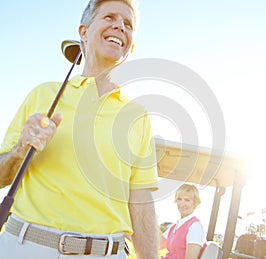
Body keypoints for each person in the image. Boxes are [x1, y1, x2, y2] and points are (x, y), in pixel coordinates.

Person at [0, 0, 159, 258]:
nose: (120, 26)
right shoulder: (43, 95)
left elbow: (141, 203)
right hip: (26, 248)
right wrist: (20, 150)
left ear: (131, 47)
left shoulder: (137, 117)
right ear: (83, 32)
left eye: (128, 24)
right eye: (109, 17)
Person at [160, 184, 206, 259]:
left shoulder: (195, 226)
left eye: (187, 200)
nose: (182, 203)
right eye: (179, 199)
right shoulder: (175, 226)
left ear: (195, 203)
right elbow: (155, 245)